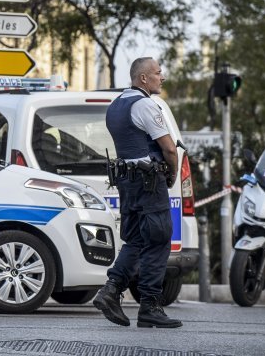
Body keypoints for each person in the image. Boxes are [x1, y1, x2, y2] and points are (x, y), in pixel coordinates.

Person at [93, 57, 182, 328]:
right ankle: (150, 306)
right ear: (143, 78)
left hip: (128, 183)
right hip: (149, 182)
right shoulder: (145, 104)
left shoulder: (116, 105)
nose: (162, 77)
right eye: (157, 72)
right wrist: (172, 174)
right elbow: (168, 148)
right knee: (157, 239)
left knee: (135, 240)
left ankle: (111, 290)